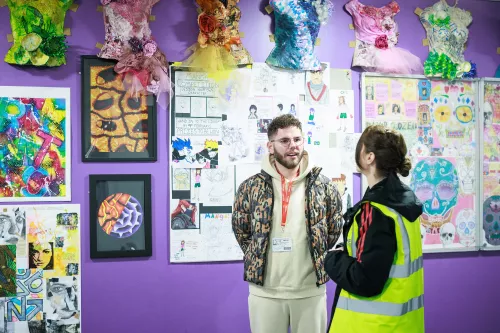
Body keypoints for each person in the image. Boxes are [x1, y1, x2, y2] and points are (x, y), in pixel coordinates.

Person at [232, 114, 344, 333]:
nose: (293, 146)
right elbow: (241, 230)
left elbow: (333, 230)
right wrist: (258, 255)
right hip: (265, 291)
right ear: (270, 146)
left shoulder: (324, 187)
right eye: (284, 141)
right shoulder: (250, 187)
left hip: (310, 289)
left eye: (297, 139)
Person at [325, 125, 425, 333]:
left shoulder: (376, 210)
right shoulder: (405, 200)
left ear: (369, 157)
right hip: (404, 325)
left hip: (370, 325)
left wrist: (332, 259)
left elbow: (365, 280)